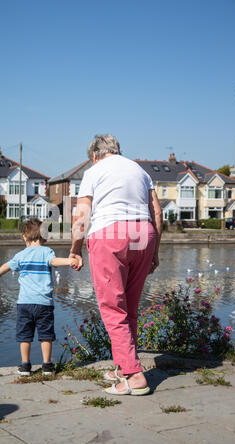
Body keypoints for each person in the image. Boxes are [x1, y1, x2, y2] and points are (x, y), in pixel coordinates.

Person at [70, 134, 162, 396]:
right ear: (117, 151)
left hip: (110, 235)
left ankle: (134, 376)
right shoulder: (139, 170)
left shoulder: (94, 171)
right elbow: (156, 211)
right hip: (143, 234)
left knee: (112, 308)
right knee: (129, 308)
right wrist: (155, 251)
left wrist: (75, 249)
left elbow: (82, 215)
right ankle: (124, 365)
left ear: (95, 155)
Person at [0, 218, 78, 376]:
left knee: (24, 336)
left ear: (25, 237)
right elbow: (55, 262)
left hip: (24, 304)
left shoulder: (20, 255)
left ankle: (25, 366)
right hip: (44, 303)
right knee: (46, 336)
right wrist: (69, 261)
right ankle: (47, 366)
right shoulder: (47, 252)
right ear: (44, 237)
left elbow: (6, 266)